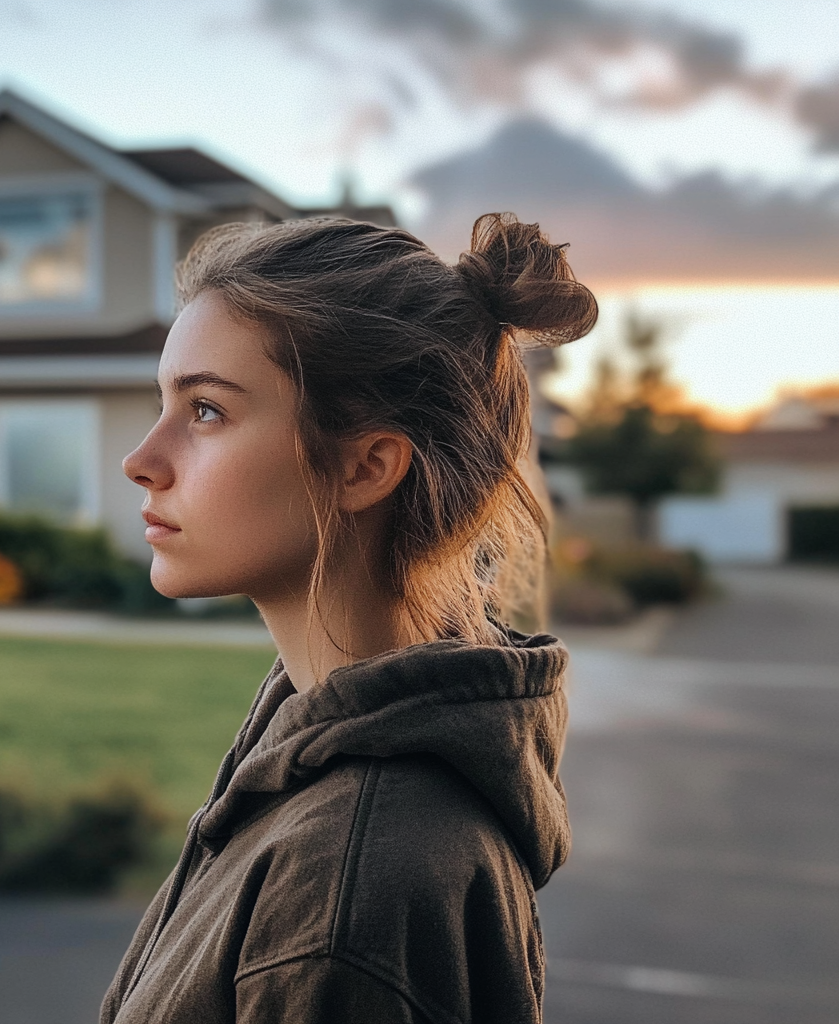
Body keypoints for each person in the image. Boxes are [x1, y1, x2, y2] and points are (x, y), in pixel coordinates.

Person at [104, 213, 597, 1024]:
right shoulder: (312, 759)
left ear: (366, 466)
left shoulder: (349, 886)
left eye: (206, 412)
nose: (141, 461)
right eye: (167, 403)